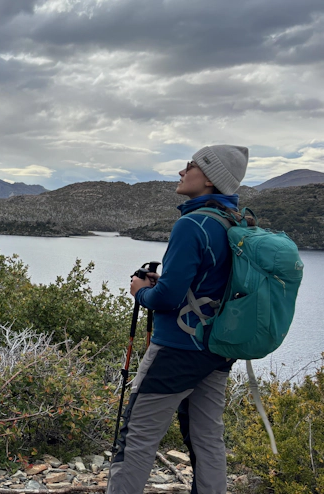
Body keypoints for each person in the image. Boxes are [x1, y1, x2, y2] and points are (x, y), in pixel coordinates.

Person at [107, 145, 250, 494]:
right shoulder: (234, 221)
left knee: (138, 437)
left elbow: (167, 298)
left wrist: (141, 291)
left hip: (175, 349)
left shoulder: (192, 223)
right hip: (216, 349)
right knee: (207, 437)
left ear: (210, 179)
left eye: (190, 166)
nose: (181, 173)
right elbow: (208, 284)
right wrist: (167, 284)